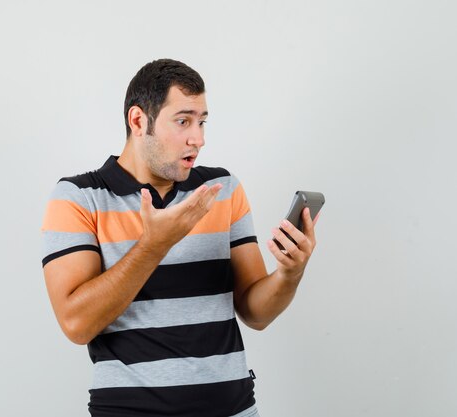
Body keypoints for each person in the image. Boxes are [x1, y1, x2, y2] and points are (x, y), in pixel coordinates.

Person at [41, 58, 318, 417]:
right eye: (183, 121)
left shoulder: (222, 189)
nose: (198, 139)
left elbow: (256, 312)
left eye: (202, 122)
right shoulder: (79, 197)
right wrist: (153, 246)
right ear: (139, 121)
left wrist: (289, 274)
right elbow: (76, 324)